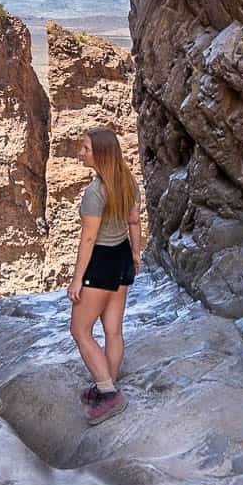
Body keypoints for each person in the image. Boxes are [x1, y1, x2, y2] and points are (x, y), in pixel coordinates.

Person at [66, 127, 142, 426]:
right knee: (113, 330)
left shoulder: (94, 193)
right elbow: (134, 221)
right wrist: (135, 254)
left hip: (99, 263)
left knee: (80, 331)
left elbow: (88, 240)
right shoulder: (127, 181)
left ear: (100, 153)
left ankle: (109, 394)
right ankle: (105, 383)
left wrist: (76, 279)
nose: (80, 153)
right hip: (122, 256)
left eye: (85, 148)